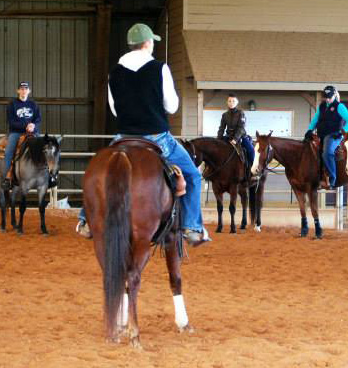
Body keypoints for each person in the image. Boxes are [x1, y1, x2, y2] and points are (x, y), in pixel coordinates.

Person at [76, 23, 209, 245]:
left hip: (124, 137)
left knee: (99, 172)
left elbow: (115, 108)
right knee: (193, 176)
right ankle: (192, 227)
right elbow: (172, 106)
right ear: (147, 43)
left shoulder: (115, 72)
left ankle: (86, 219)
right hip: (157, 137)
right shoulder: (160, 68)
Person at [305, 85, 348, 189]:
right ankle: (316, 177)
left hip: (334, 135)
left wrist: (342, 132)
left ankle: (332, 178)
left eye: (329, 96)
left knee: (327, 153)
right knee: (308, 148)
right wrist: (309, 130)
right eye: (325, 96)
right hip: (321, 134)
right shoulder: (322, 106)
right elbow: (315, 119)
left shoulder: (339, 106)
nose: (327, 99)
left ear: (334, 95)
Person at [2, 81, 41, 189]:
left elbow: (38, 120)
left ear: (29, 91)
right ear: (18, 91)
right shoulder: (12, 105)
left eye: (26, 89)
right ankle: (7, 178)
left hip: (32, 131)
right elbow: (11, 121)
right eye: (22, 89)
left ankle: (45, 176)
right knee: (9, 151)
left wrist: (33, 126)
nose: (24, 91)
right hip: (16, 132)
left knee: (44, 149)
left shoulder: (34, 105)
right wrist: (25, 126)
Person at [217, 93, 255, 177]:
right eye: (229, 101)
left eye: (233, 101)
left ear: (236, 103)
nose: (231, 103)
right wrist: (218, 139)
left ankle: (253, 171)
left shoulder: (241, 113)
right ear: (227, 102)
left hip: (240, 137)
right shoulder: (224, 115)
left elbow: (241, 128)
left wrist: (235, 139)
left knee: (251, 150)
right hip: (228, 137)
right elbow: (221, 128)